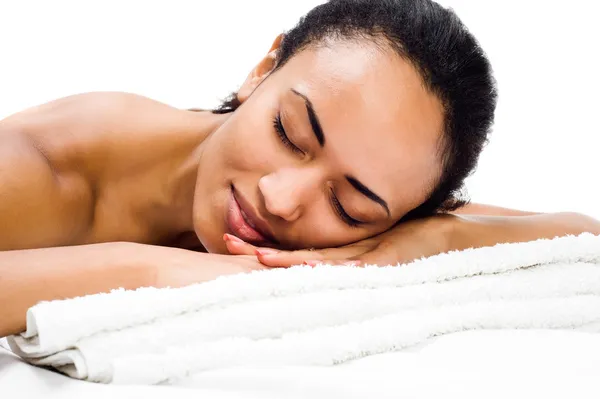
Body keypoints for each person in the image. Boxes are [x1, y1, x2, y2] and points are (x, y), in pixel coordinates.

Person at [0, 0, 598, 338]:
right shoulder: (39, 173)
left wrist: (431, 236)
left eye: (350, 206)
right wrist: (158, 269)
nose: (282, 201)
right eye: (290, 133)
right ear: (262, 71)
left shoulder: (386, 212)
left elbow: (581, 230)